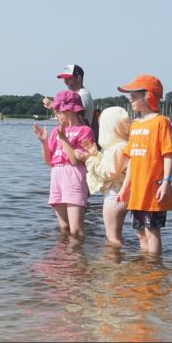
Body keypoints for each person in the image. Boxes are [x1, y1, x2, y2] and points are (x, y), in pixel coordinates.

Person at [116, 75, 172, 256]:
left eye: (134, 96)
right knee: (140, 232)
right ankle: (144, 268)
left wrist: (166, 182)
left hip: (153, 188)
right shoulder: (135, 125)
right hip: (138, 189)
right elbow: (132, 160)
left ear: (148, 96)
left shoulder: (161, 122)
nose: (130, 100)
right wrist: (125, 188)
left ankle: (154, 268)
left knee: (152, 231)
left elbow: (168, 154)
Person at [33, 90, 93, 238]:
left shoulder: (85, 131)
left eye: (58, 111)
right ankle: (63, 257)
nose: (56, 115)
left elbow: (74, 160)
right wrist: (44, 142)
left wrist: (64, 140)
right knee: (64, 227)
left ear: (69, 110)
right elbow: (49, 161)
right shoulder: (56, 132)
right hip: (57, 177)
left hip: (74, 177)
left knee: (76, 230)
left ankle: (77, 258)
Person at [84, 106, 131, 245]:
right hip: (123, 194)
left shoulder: (117, 148)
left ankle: (112, 265)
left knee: (112, 238)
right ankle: (119, 263)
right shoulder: (124, 145)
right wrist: (96, 154)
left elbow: (107, 173)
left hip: (114, 196)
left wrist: (90, 159)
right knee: (116, 235)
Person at [43, 64, 95, 137]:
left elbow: (75, 117)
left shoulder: (82, 95)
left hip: (79, 137)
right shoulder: (77, 94)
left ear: (78, 78)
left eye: (68, 78)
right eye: (64, 79)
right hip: (74, 136)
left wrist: (55, 107)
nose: (65, 81)